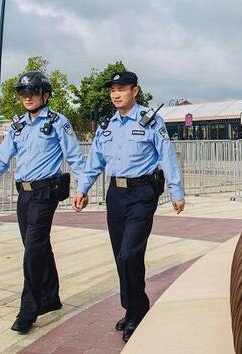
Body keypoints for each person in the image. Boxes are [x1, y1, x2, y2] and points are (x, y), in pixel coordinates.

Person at [72, 71, 185, 342]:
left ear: (135, 91)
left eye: (121, 89)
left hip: (143, 193)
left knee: (129, 255)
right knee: (121, 255)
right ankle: (133, 306)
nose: (115, 94)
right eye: (113, 89)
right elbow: (95, 160)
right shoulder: (106, 124)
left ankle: (136, 312)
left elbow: (166, 155)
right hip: (116, 195)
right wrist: (82, 189)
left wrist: (176, 191)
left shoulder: (150, 120)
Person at [0, 71, 86, 334]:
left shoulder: (59, 123)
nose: (27, 97)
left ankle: (28, 310)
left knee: (32, 251)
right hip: (23, 195)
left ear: (45, 95)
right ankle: (51, 297)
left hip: (45, 193)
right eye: (24, 93)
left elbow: (75, 157)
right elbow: (2, 157)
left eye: (33, 92)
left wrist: (82, 188)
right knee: (37, 246)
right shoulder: (18, 126)